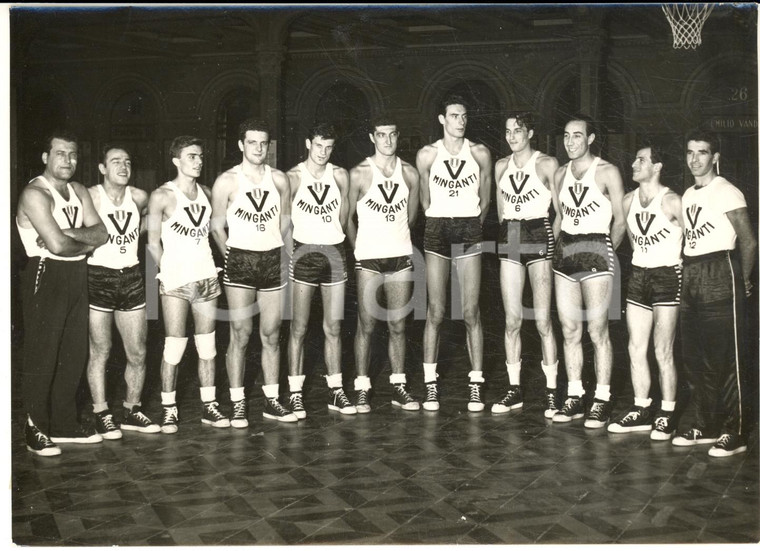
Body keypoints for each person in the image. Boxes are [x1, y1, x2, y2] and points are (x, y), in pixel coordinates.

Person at [16, 130, 108, 456]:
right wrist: (79, 239)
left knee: (74, 351)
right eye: (60, 153)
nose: (67, 160)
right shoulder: (34, 194)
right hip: (45, 273)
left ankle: (64, 424)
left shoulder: (79, 190)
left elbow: (103, 233)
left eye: (72, 154)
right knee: (43, 352)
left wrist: (68, 233)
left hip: (76, 274)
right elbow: (55, 246)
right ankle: (35, 427)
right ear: (45, 157)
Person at [672, 131, 756, 457]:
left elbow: (749, 241)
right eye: (690, 152)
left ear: (715, 157)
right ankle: (705, 424)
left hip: (721, 271)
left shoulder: (727, 191)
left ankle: (735, 432)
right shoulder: (688, 194)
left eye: (702, 152)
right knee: (696, 358)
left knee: (728, 358)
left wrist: (743, 280)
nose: (695, 159)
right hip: (692, 273)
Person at [211, 119, 297, 426]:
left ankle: (271, 400)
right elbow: (216, 226)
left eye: (263, 143)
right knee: (241, 333)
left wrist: (287, 256)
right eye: (252, 143)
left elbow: (286, 222)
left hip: (273, 258)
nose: (258, 148)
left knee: (272, 334)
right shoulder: (227, 181)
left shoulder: (281, 179)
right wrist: (231, 256)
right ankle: (237, 402)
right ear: (241, 145)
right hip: (241, 261)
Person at [147, 136, 230, 434]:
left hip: (206, 276)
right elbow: (152, 243)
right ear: (176, 160)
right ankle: (169, 409)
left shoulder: (207, 192)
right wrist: (169, 272)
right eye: (191, 156)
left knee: (207, 345)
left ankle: (209, 406)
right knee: (174, 345)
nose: (198, 161)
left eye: (200, 156)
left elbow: (210, 233)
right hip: (176, 282)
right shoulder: (162, 196)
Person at [416, 95, 492, 412]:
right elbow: (424, 200)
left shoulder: (480, 153)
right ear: (441, 119)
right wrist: (441, 219)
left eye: (464, 115)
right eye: (454, 115)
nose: (460, 121)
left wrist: (469, 224)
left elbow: (486, 202)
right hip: (437, 227)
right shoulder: (427, 155)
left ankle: (476, 384)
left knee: (471, 310)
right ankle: (431, 386)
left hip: (469, 227)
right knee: (436, 310)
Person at [551, 114, 626, 428]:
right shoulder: (558, 174)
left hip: (597, 247)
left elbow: (620, 221)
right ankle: (575, 395)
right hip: (566, 250)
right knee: (569, 330)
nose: (570, 142)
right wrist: (557, 250)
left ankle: (603, 398)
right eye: (567, 136)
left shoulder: (607, 171)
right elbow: (558, 216)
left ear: (591, 139)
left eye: (577, 136)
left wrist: (607, 250)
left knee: (597, 331)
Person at [346, 115, 421, 413]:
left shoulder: (410, 174)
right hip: (368, 259)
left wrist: (395, 240)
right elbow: (345, 219)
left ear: (398, 136)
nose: (387, 141)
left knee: (398, 324)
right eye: (381, 135)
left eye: (392, 135)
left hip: (400, 257)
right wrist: (359, 250)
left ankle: (398, 386)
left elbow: (411, 217)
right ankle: (362, 387)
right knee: (366, 324)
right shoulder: (359, 173)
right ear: (371, 137)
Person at [607, 145, 682, 440]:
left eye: (642, 160)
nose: (634, 163)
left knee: (663, 350)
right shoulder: (628, 201)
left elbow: (693, 242)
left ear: (658, 166)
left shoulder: (673, 201)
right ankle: (641, 409)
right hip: (639, 276)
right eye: (635, 158)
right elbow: (626, 238)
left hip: (667, 276)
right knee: (635, 347)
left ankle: (667, 412)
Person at [491, 112, 561, 417]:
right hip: (512, 234)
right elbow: (500, 211)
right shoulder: (501, 166)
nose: (512, 136)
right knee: (511, 320)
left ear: (530, 132)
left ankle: (552, 391)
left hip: (538, 230)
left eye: (517, 130)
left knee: (544, 320)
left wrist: (550, 242)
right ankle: (514, 389)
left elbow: (560, 212)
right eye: (507, 131)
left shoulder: (547, 164)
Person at [87, 145, 159, 439]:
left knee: (138, 352)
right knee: (101, 350)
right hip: (98, 276)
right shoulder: (91, 196)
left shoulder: (140, 197)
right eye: (115, 161)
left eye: (128, 161)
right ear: (102, 168)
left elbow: (151, 222)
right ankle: (101, 413)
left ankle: (132, 410)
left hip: (131, 276)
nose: (123, 166)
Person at [286, 123, 355, 417]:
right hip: (304, 252)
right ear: (307, 144)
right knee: (299, 327)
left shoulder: (340, 175)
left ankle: (336, 391)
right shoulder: (292, 177)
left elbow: (344, 217)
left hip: (334, 252)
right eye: (318, 146)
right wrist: (292, 253)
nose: (323, 153)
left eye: (328, 147)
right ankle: (294, 392)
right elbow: (285, 221)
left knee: (334, 326)